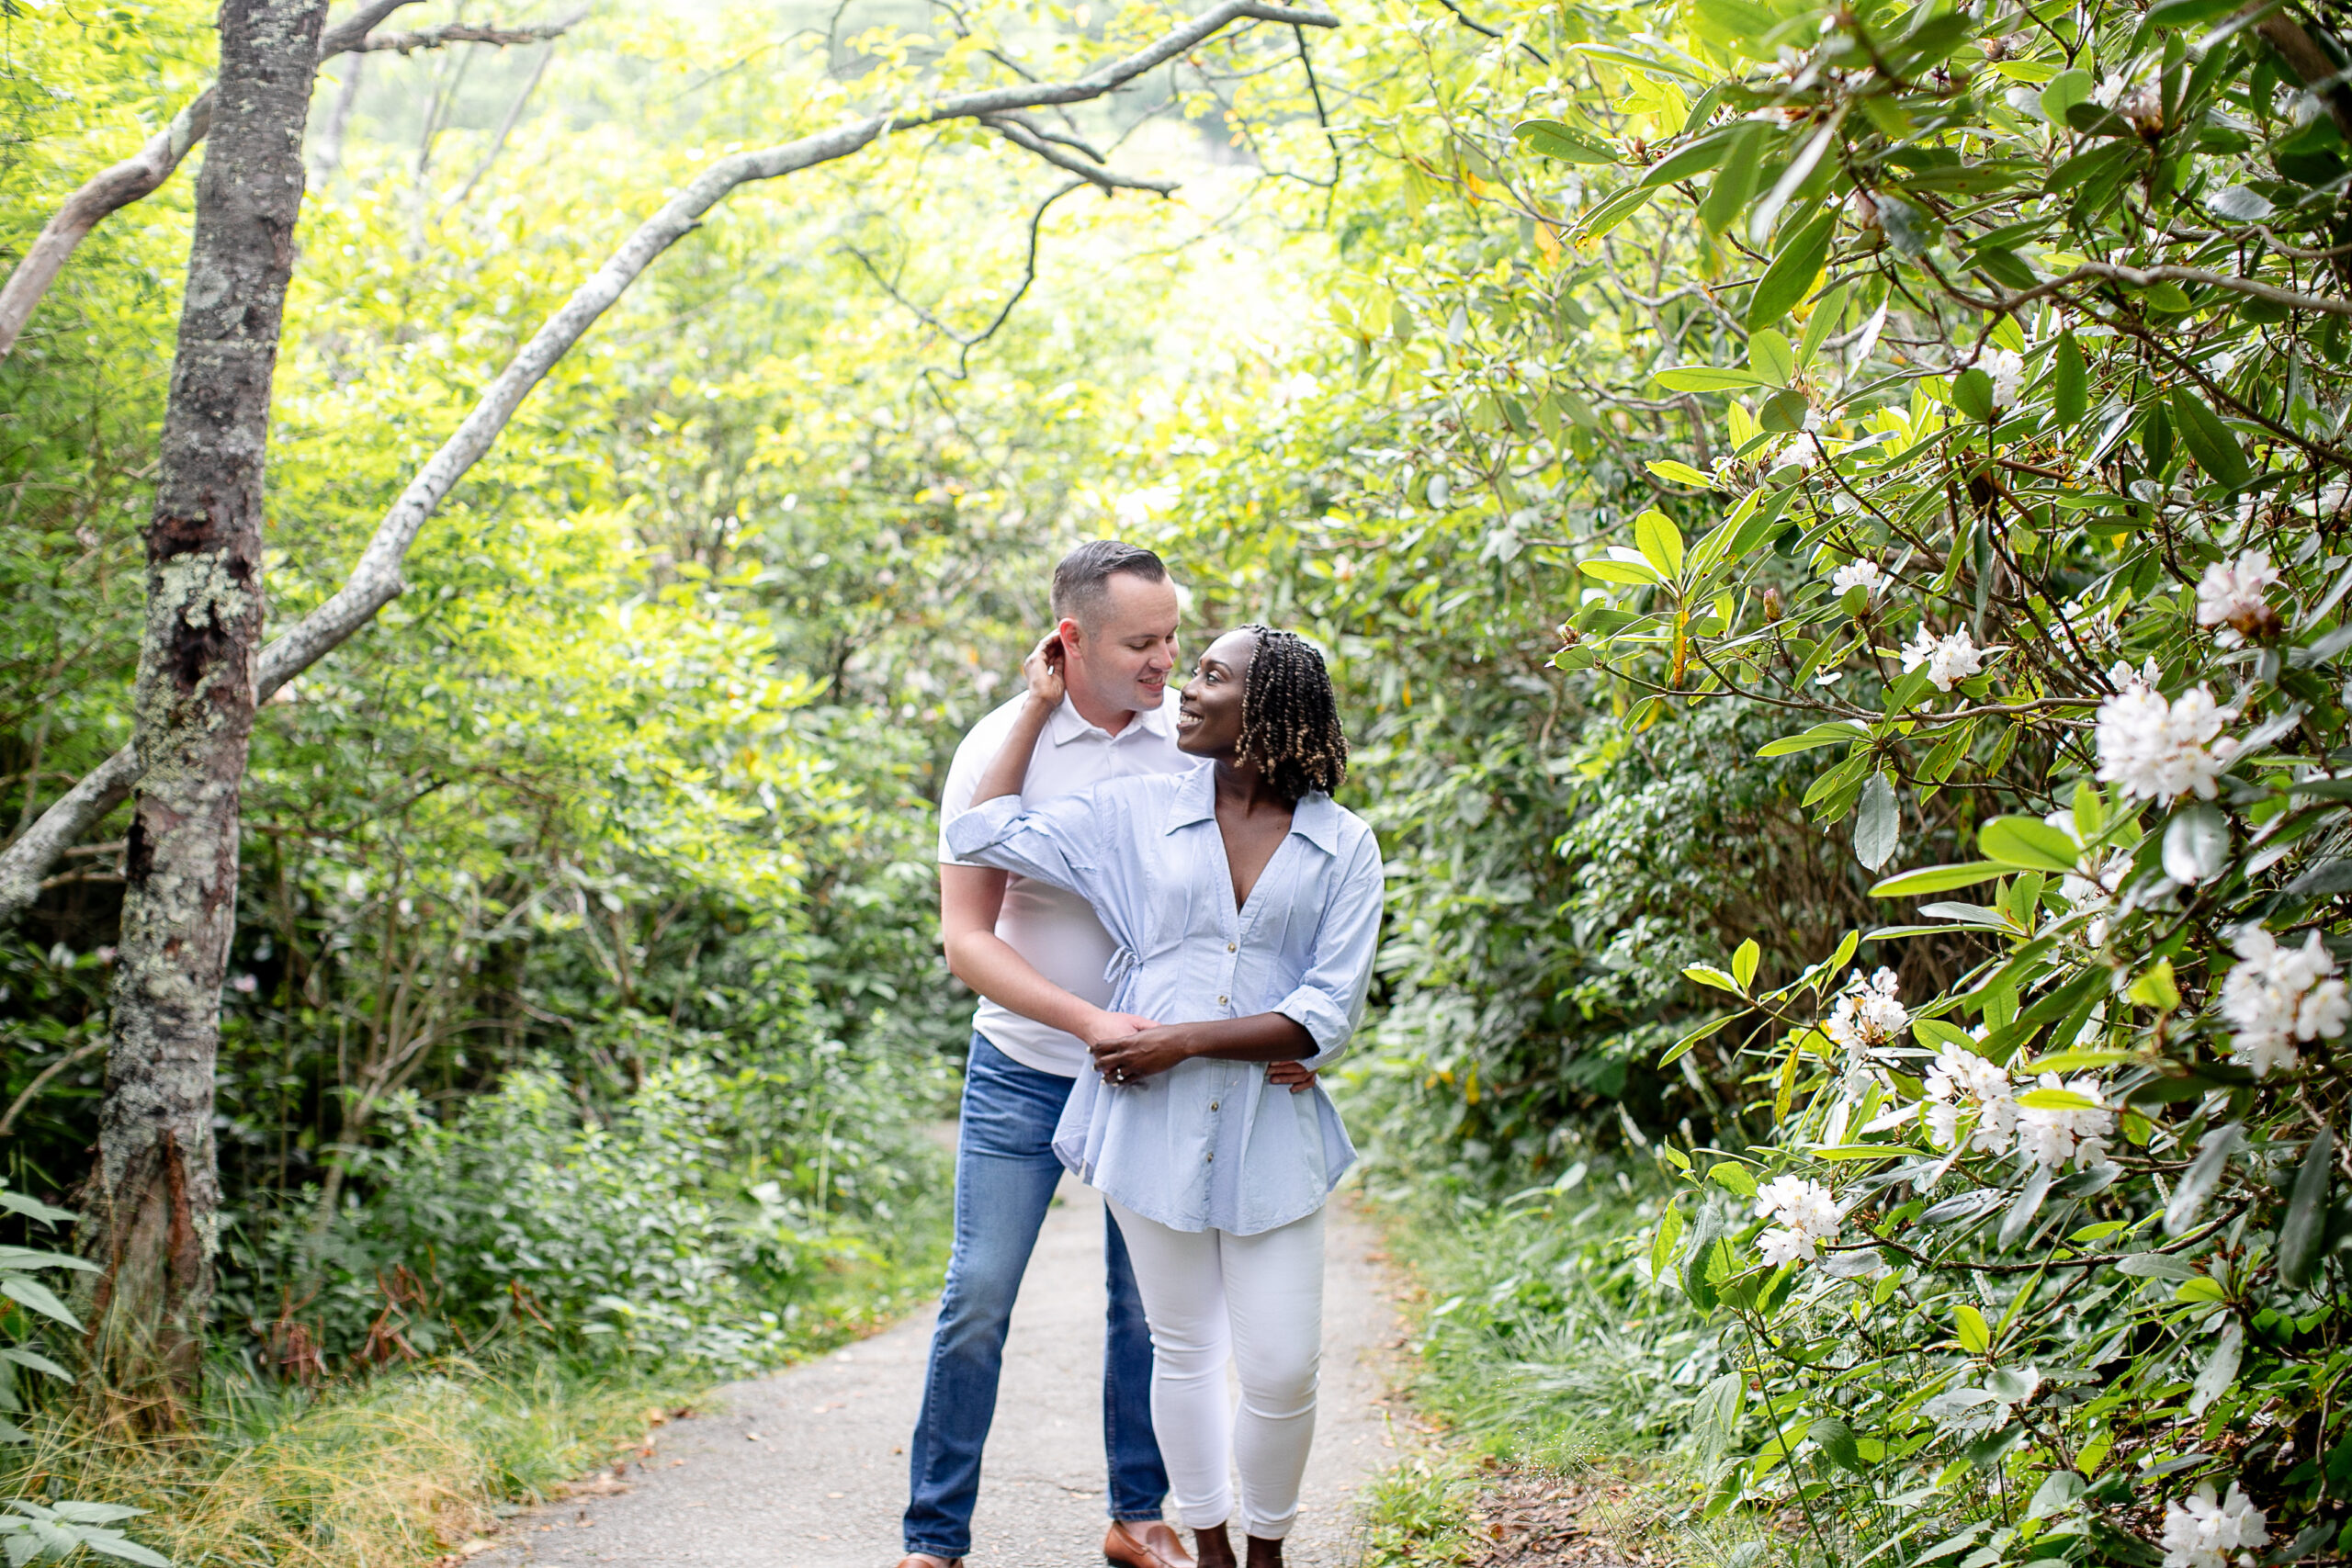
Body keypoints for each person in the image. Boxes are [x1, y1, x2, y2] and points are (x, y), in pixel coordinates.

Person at [944, 622, 1384, 1568]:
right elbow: (977, 834)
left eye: (1210, 674)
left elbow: (1325, 1011)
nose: (1187, 687)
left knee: (1280, 1367)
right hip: (1147, 1124)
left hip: (1272, 1123)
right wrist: (1039, 706)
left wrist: (1182, 1042)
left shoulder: (1343, 844)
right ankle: (1216, 1548)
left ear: (1265, 706)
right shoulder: (1135, 811)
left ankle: (1269, 1546)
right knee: (1181, 1350)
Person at [901, 541, 1201, 1568]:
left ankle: (1138, 1515)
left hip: (1154, 1070)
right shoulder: (999, 746)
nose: (1166, 660)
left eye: (1173, 636)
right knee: (978, 1294)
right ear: (1068, 640)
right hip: (1023, 1065)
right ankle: (933, 1540)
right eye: (1141, 642)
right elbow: (967, 936)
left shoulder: (1190, 739)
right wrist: (1085, 1023)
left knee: (1145, 1303)